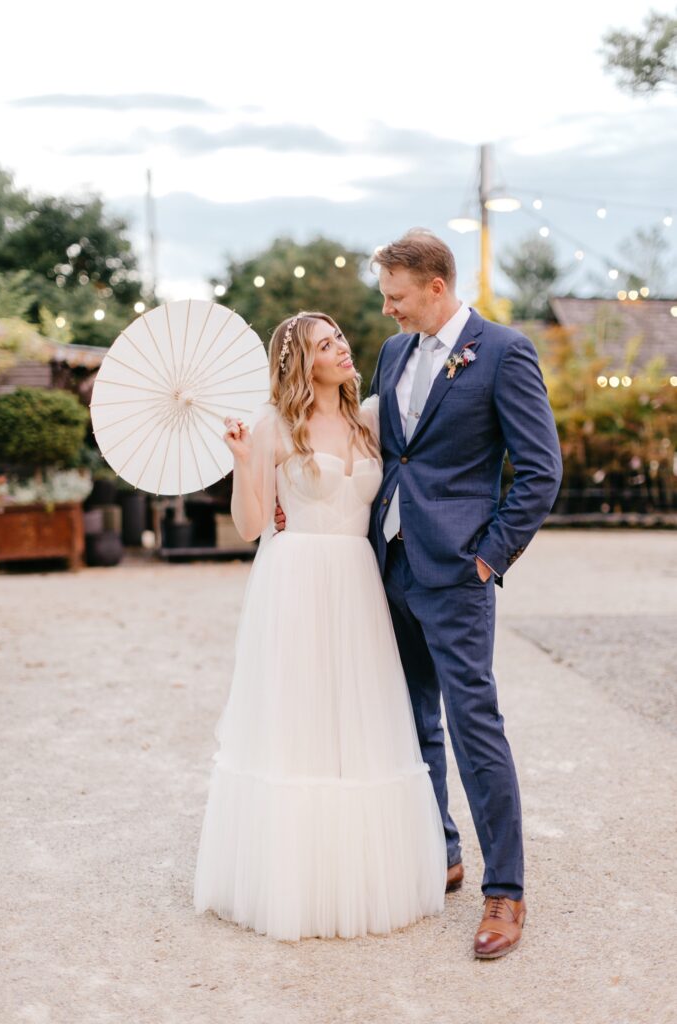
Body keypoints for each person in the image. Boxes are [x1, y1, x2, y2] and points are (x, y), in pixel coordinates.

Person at [193, 310, 446, 942]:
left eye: (338, 338)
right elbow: (252, 526)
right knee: (300, 721)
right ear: (303, 363)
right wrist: (246, 460)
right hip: (296, 578)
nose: (341, 347)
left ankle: (361, 875)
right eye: (324, 344)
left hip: (358, 582)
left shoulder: (370, 421)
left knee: (359, 722)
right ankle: (295, 881)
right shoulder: (271, 424)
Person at [363, 229, 564, 958]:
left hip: (456, 573)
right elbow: (391, 453)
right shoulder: (392, 353)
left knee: (473, 725)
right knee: (412, 718)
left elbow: (539, 471)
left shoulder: (503, 352)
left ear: (435, 287)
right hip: (388, 562)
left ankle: (503, 892)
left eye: (395, 297)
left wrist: (487, 559)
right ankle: (441, 850)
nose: (387, 311)